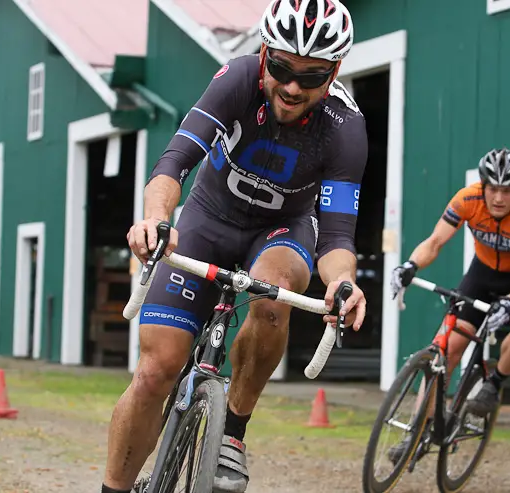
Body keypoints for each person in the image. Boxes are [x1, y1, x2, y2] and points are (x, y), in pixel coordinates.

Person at [100, 1, 368, 492]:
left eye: (311, 77)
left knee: (274, 290)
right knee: (156, 371)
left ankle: (233, 433)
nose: (292, 87)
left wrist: (343, 283)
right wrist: (158, 221)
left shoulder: (345, 129)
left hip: (282, 232)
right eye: (283, 69)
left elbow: (335, 238)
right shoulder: (238, 80)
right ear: (265, 53)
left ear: (335, 72)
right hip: (207, 220)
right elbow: (174, 162)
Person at [389, 148, 510, 461]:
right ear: (483, 186)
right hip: (483, 273)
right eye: (492, 189)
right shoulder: (467, 199)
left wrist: (509, 303)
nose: (498, 198)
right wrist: (410, 265)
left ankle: (495, 383)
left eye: (506, 190)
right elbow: (435, 242)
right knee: (447, 348)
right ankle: (418, 430)